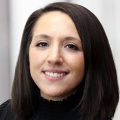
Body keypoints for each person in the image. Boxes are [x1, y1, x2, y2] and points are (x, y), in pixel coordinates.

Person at [0, 2, 119, 120]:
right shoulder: (5, 113)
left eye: (71, 46)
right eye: (42, 44)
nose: (54, 58)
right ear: (27, 56)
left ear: (92, 59)